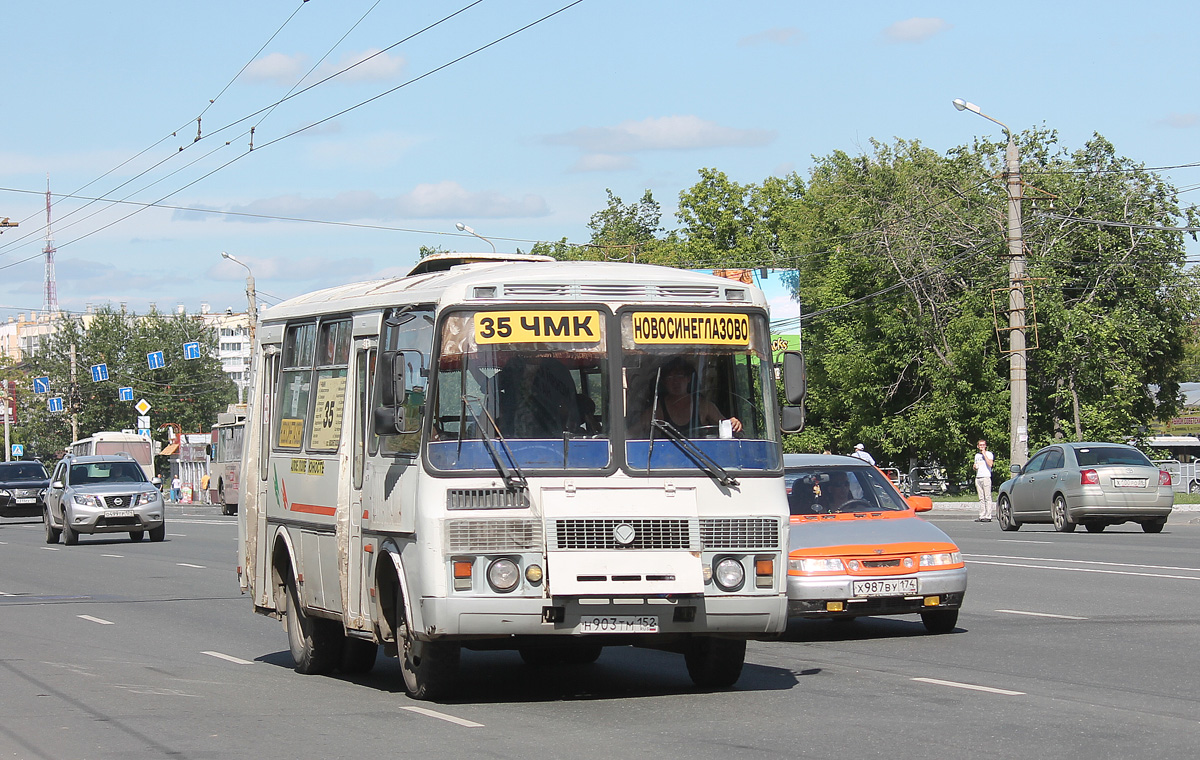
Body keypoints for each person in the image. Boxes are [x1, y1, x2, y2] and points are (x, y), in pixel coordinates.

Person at [640, 357, 741, 437]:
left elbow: (729, 429)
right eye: (670, 377)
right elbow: (631, 434)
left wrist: (734, 424)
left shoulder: (704, 406)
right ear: (664, 382)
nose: (675, 381)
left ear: (688, 379)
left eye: (680, 376)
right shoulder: (656, 410)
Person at [973, 439, 995, 522]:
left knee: (987, 497)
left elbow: (990, 464)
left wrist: (984, 454)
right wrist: (974, 467)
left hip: (986, 477)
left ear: (985, 446)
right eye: (980, 445)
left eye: (983, 445)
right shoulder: (977, 456)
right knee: (981, 498)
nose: (982, 446)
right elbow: (975, 466)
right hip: (978, 477)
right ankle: (982, 515)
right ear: (978, 446)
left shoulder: (989, 454)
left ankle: (988, 516)